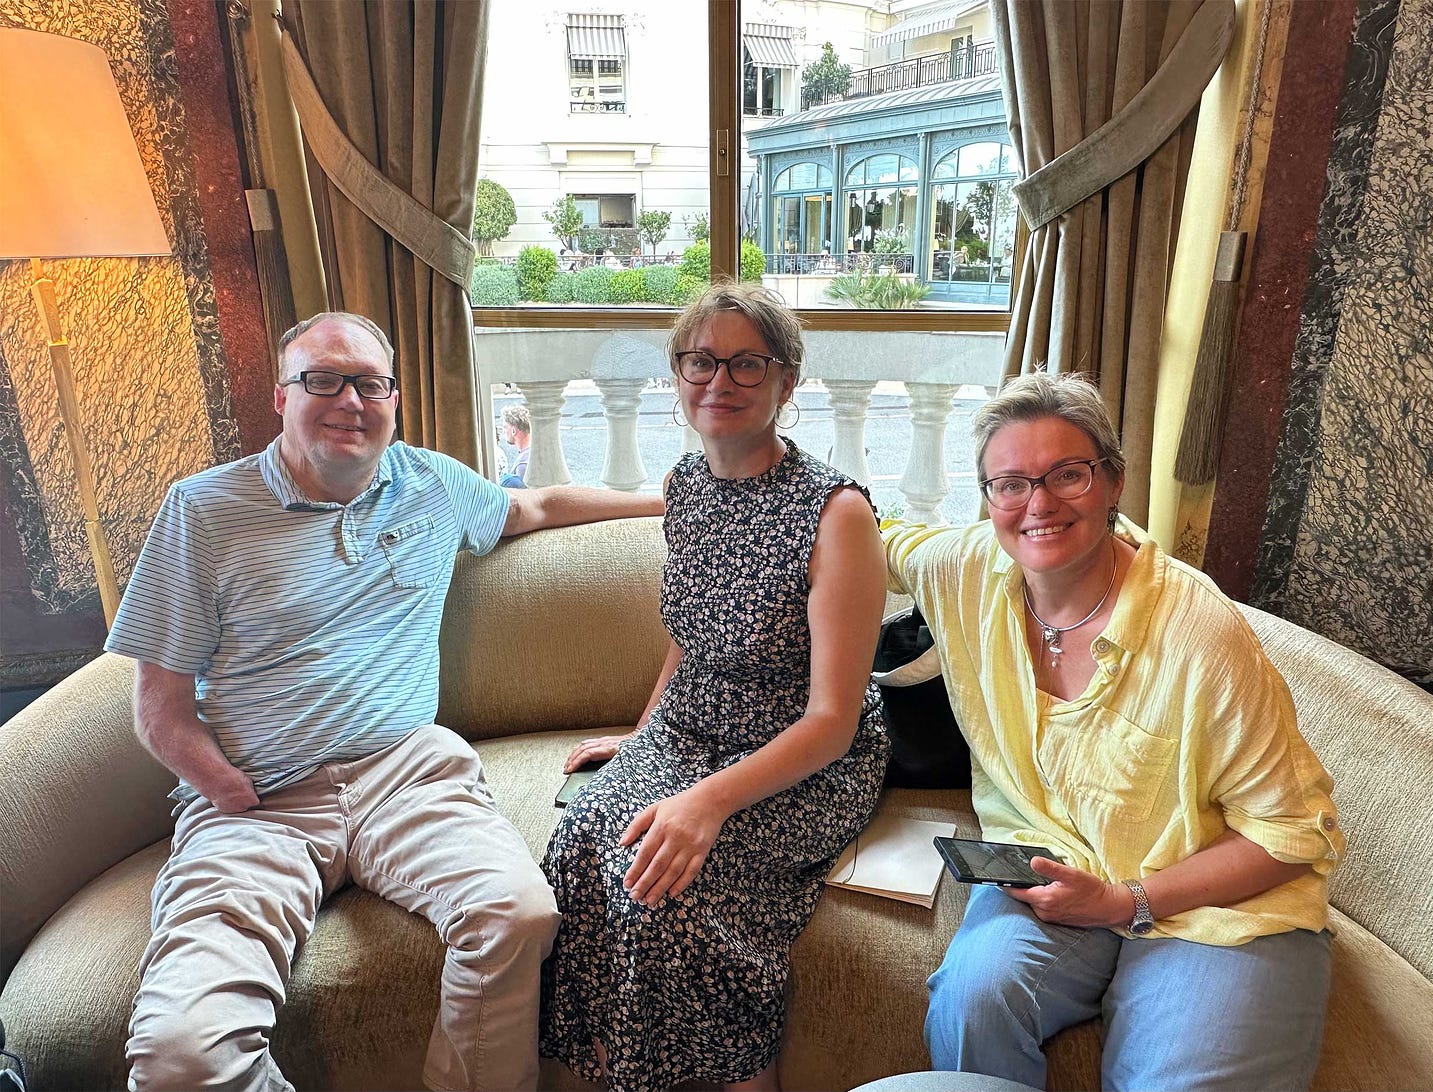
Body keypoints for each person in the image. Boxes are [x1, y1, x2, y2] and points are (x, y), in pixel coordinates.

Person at [106, 312, 664, 1092]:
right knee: (181, 1057)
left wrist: (664, 502)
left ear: (395, 398)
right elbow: (158, 707)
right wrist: (232, 790)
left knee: (517, 915)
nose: (350, 400)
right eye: (323, 380)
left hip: (405, 774)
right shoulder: (202, 512)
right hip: (258, 801)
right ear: (280, 395)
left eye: (370, 383)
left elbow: (533, 508)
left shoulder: (430, 482)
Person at [883, 372, 1344, 1092]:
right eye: (1010, 483)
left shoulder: (1197, 633)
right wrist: (683, 498)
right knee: (973, 1002)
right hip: (1053, 870)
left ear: (1113, 483)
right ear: (988, 499)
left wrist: (1127, 901)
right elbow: (858, 529)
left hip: (1214, 900)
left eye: (1067, 474)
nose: (1037, 503)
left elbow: (1293, 834)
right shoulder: (966, 567)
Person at [539, 284, 889, 1091]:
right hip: (690, 728)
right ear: (677, 374)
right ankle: (613, 1071)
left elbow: (833, 720)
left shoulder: (836, 514)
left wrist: (706, 802)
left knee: (667, 897)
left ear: (786, 382)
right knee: (578, 852)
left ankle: (746, 1078)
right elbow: (689, 638)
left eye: (746, 364)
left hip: (804, 754)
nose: (718, 382)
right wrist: (646, 733)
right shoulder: (688, 486)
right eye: (700, 361)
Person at [499, 403, 531, 489]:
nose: (503, 432)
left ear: (513, 431)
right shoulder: (533, 453)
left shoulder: (522, 464)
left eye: (505, 427)